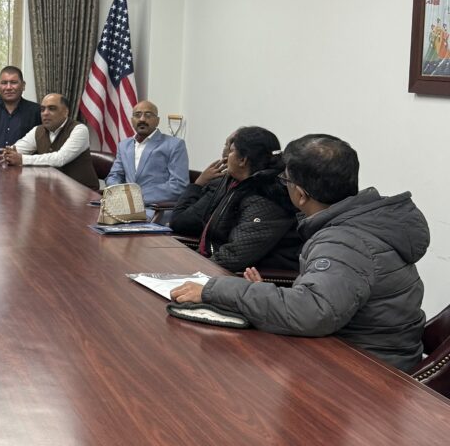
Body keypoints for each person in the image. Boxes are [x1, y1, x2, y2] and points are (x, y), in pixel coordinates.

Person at [171, 134, 430, 371]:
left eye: (286, 180)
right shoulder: (357, 223)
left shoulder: (343, 241)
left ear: (302, 195)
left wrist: (214, 289)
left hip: (367, 370)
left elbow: (311, 312)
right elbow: (327, 299)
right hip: (357, 351)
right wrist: (271, 296)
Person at [170, 126, 301, 273]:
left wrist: (192, 270)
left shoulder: (265, 195)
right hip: (214, 265)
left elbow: (233, 257)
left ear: (242, 160)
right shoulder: (234, 183)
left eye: (231, 150)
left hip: (247, 278)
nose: (226, 157)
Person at [0, 92, 99, 189]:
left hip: (82, 193)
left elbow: (60, 159)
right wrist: (8, 154)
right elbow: (16, 150)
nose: (45, 113)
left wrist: (22, 159)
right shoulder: (38, 130)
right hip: (53, 191)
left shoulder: (79, 129)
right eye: (42, 109)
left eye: (52, 109)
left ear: (65, 112)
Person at [106, 100, 189, 213]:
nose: (142, 119)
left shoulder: (175, 145)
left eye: (148, 115)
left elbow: (178, 186)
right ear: (132, 120)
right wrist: (118, 193)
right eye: (137, 115)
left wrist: (135, 197)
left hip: (155, 210)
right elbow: (114, 175)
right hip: (122, 207)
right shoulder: (124, 145)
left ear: (157, 121)